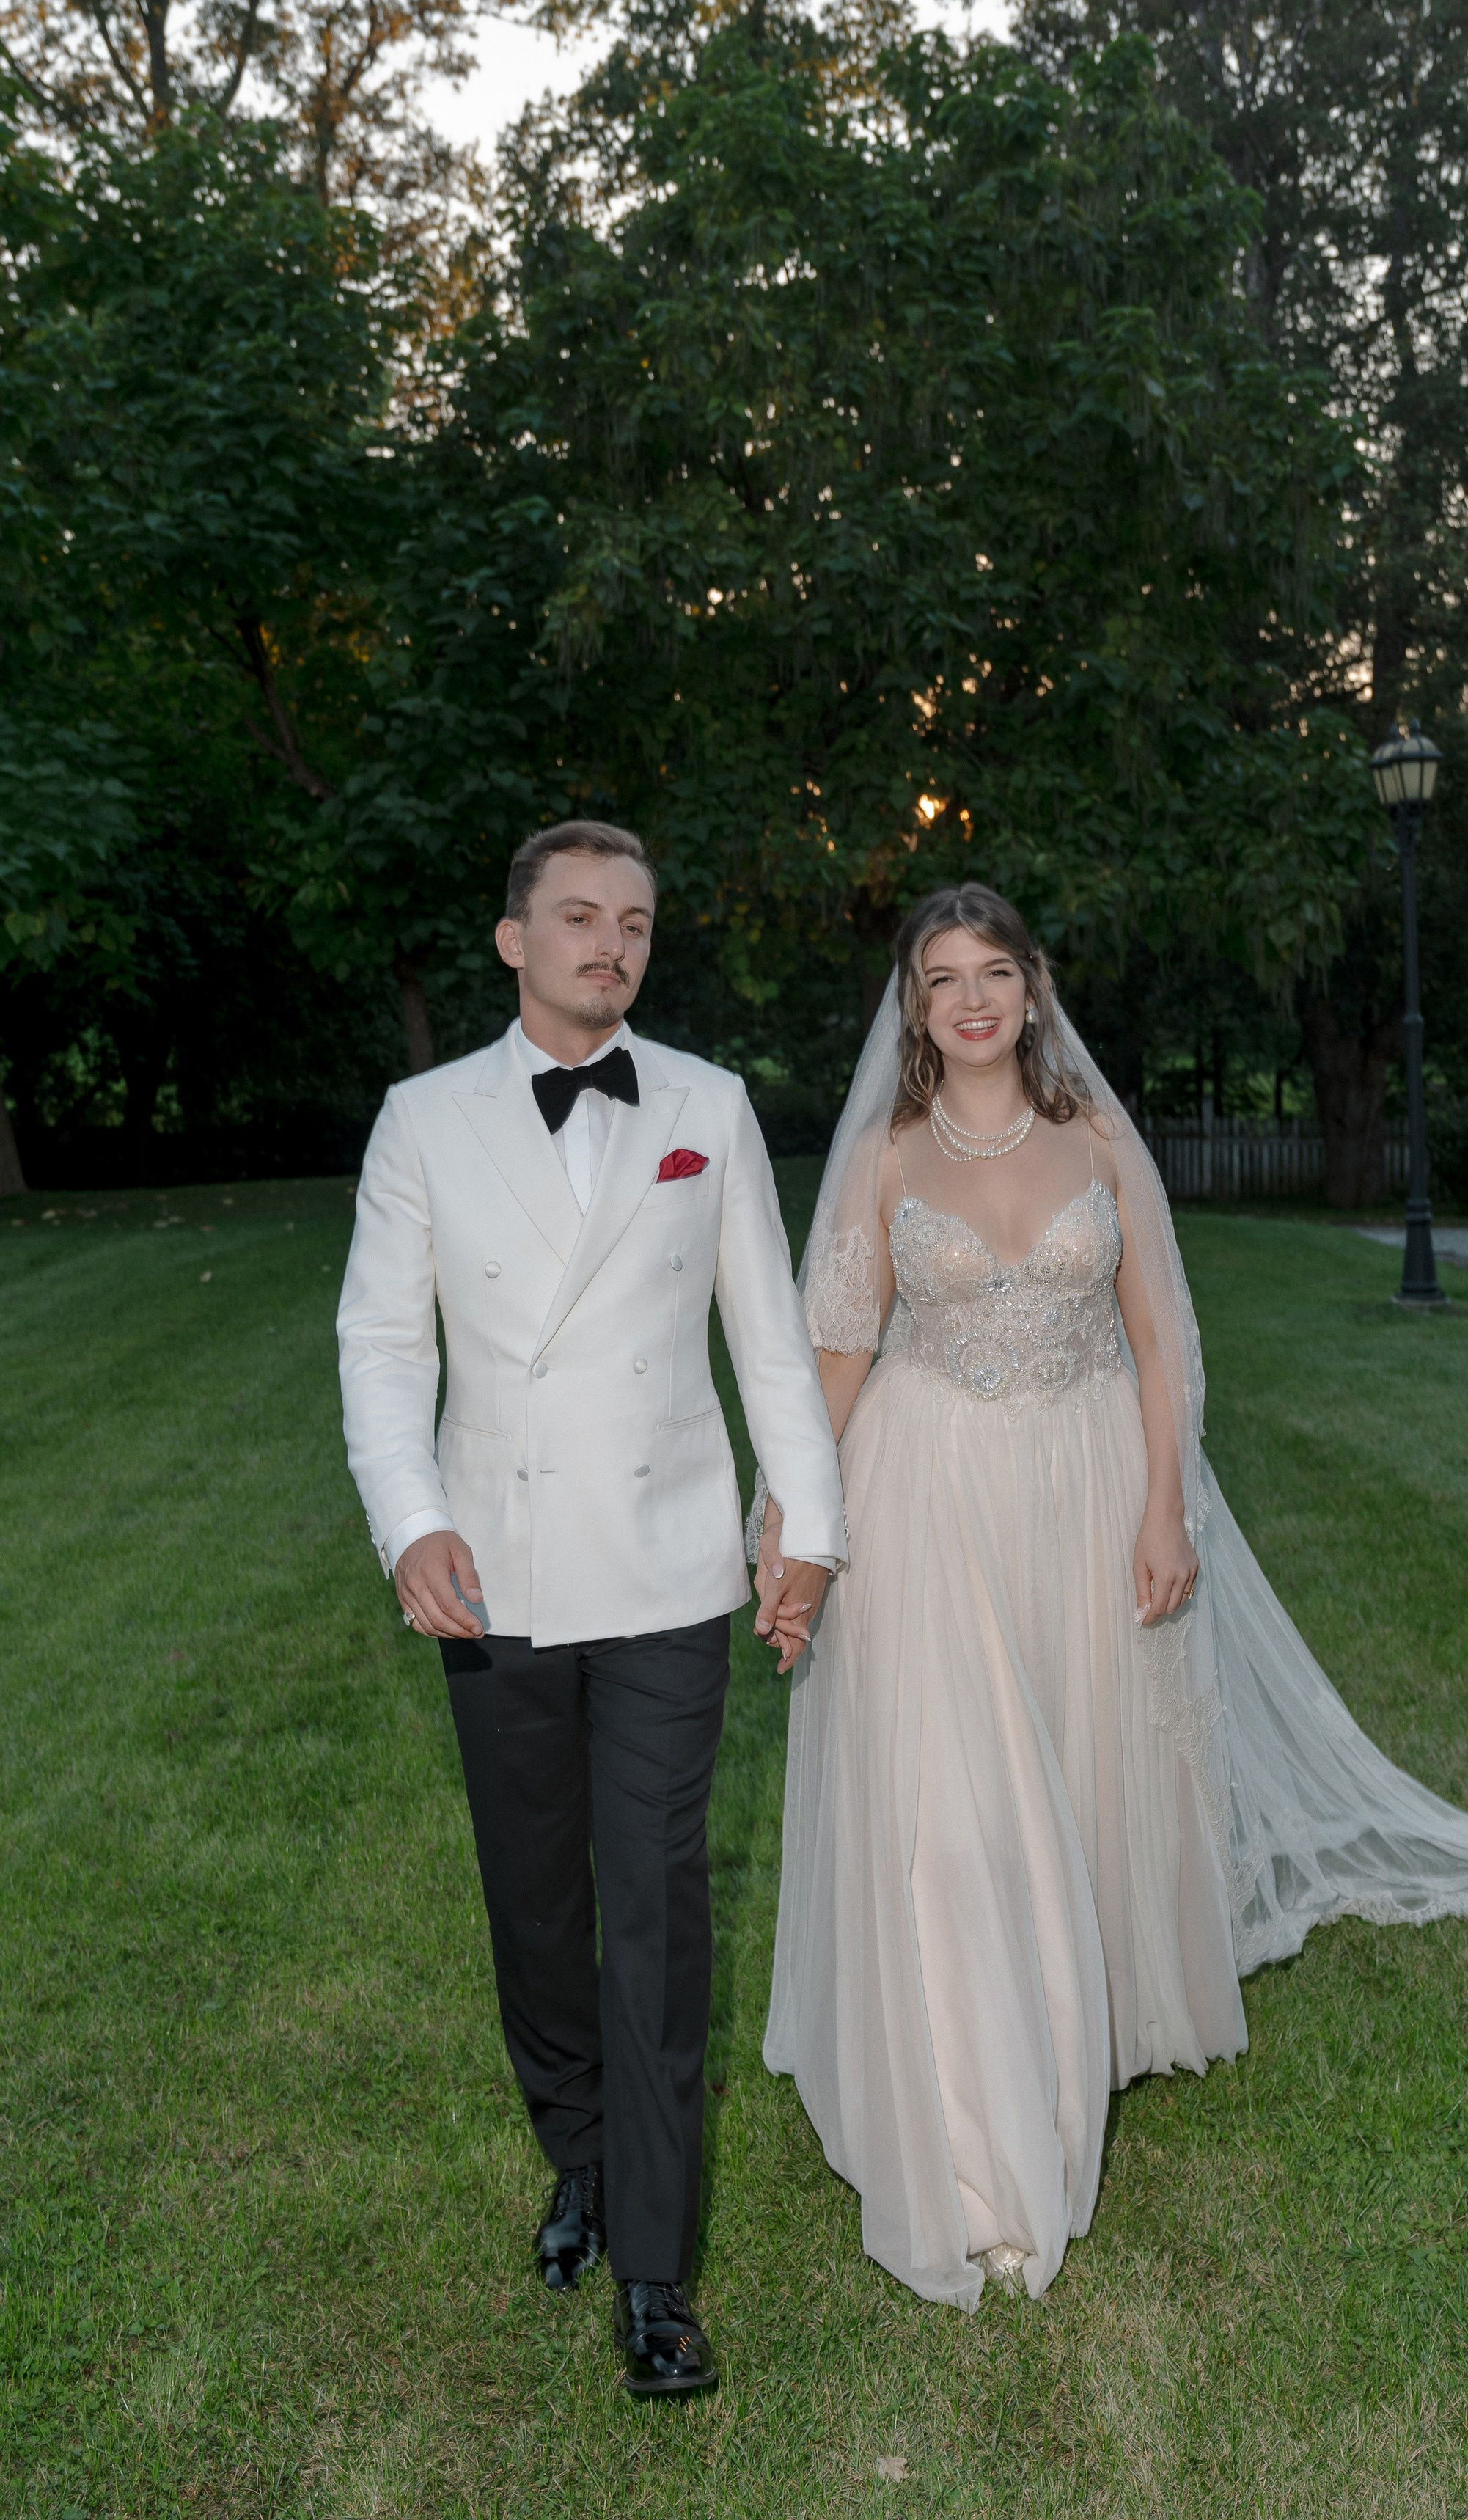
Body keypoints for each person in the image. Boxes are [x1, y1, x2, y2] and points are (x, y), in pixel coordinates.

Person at [762, 883, 1468, 2310]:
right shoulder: (881, 1159)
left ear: (1031, 990)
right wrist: (794, 1536)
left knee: (1088, 1753)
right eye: (938, 978)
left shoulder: (1096, 1138)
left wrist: (1162, 1505)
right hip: (930, 1498)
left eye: (992, 972)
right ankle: (973, 2095)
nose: (968, 999)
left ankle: (1092, 2005)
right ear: (911, 1008)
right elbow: (833, 1363)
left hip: (1093, 1480)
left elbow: (1160, 1337)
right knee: (959, 1807)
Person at [337, 820, 843, 2396]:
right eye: (576, 917)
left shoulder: (707, 1105)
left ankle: (655, 2271)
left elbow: (769, 1339)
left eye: (631, 922)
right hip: (493, 1573)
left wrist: (807, 1527)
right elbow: (379, 1348)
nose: (608, 945)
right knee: (537, 1904)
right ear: (514, 942)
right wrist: (411, 1521)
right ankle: (578, 2153)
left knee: (657, 1902)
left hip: (669, 1569)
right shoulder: (423, 1120)